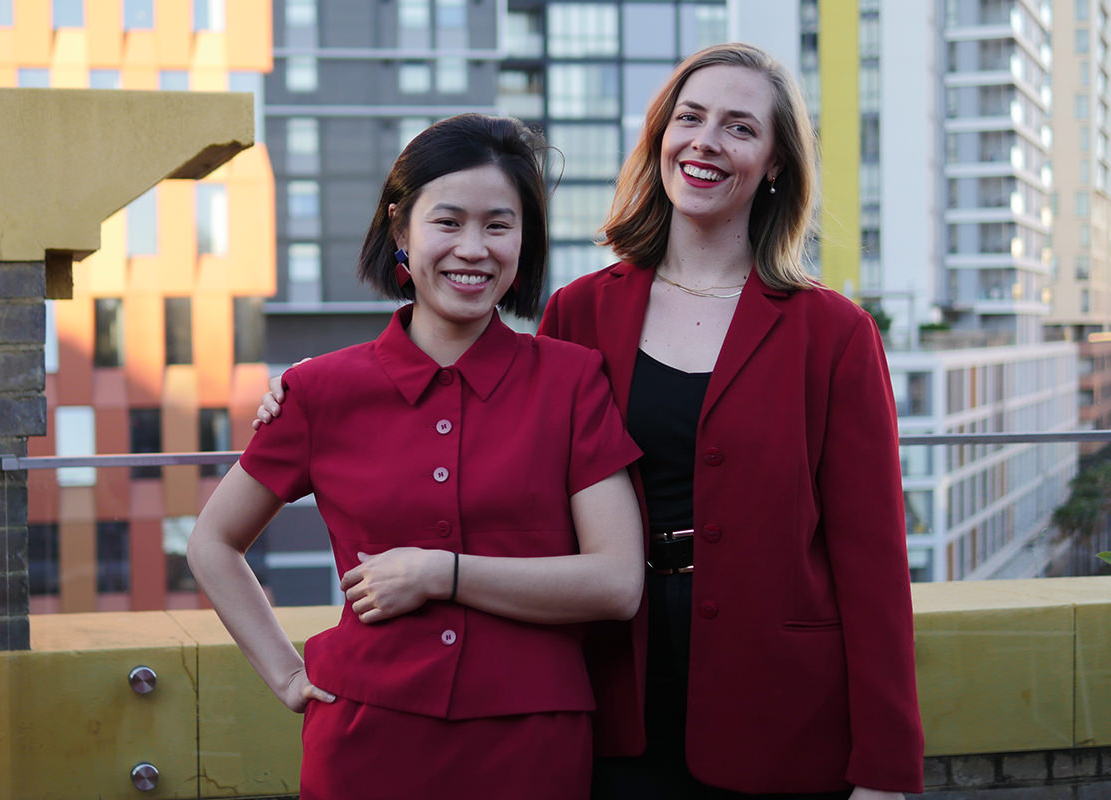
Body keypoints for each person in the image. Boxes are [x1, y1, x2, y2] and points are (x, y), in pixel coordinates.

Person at [258, 44, 924, 799]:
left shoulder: (833, 334)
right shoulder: (581, 310)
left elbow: (874, 568)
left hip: (780, 709)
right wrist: (306, 399)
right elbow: (494, 440)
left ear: (774, 163)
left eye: (740, 128)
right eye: (690, 118)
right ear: (660, 139)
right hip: (611, 692)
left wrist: (884, 770)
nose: (706, 141)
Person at [190, 113, 645, 800]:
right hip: (364, 741)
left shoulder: (573, 379)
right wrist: (285, 675)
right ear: (401, 230)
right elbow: (212, 542)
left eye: (499, 225)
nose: (473, 248)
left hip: (533, 746)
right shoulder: (319, 390)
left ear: (525, 240)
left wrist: (443, 574)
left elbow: (615, 582)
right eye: (448, 222)